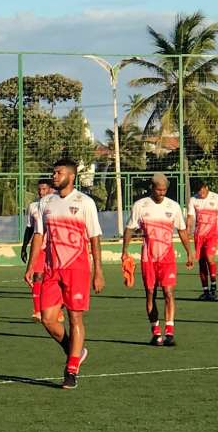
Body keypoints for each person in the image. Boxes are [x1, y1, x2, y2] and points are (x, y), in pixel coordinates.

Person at [23, 158, 104, 389]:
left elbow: (94, 238)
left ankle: (71, 369)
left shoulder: (85, 202)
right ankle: (75, 352)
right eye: (53, 172)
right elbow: (39, 235)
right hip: (51, 269)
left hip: (76, 269)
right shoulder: (45, 202)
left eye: (58, 172)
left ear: (71, 175)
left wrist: (98, 271)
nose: (54, 176)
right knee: (48, 320)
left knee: (74, 317)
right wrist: (31, 265)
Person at [122, 174, 194, 346]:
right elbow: (130, 229)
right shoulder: (140, 205)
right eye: (158, 190)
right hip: (148, 258)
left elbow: (182, 230)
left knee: (169, 293)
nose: (161, 193)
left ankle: (169, 332)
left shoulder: (173, 206)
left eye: (164, 190)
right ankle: (156, 333)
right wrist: (124, 251)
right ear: (152, 188)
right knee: (150, 294)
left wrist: (189, 252)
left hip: (167, 258)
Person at [21, 179, 55, 322]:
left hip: (53, 248)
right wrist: (24, 247)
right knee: (37, 276)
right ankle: (37, 311)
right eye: (39, 189)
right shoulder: (33, 207)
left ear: (51, 190)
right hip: (39, 248)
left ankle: (56, 309)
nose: (41, 192)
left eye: (44, 189)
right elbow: (30, 228)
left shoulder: (56, 205)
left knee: (53, 279)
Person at [187, 181, 218, 300]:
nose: (201, 193)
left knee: (210, 258)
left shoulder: (216, 198)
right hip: (199, 236)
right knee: (202, 261)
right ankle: (205, 290)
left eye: (203, 190)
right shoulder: (193, 200)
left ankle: (213, 286)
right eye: (199, 191)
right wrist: (187, 231)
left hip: (212, 235)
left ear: (206, 187)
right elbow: (190, 217)